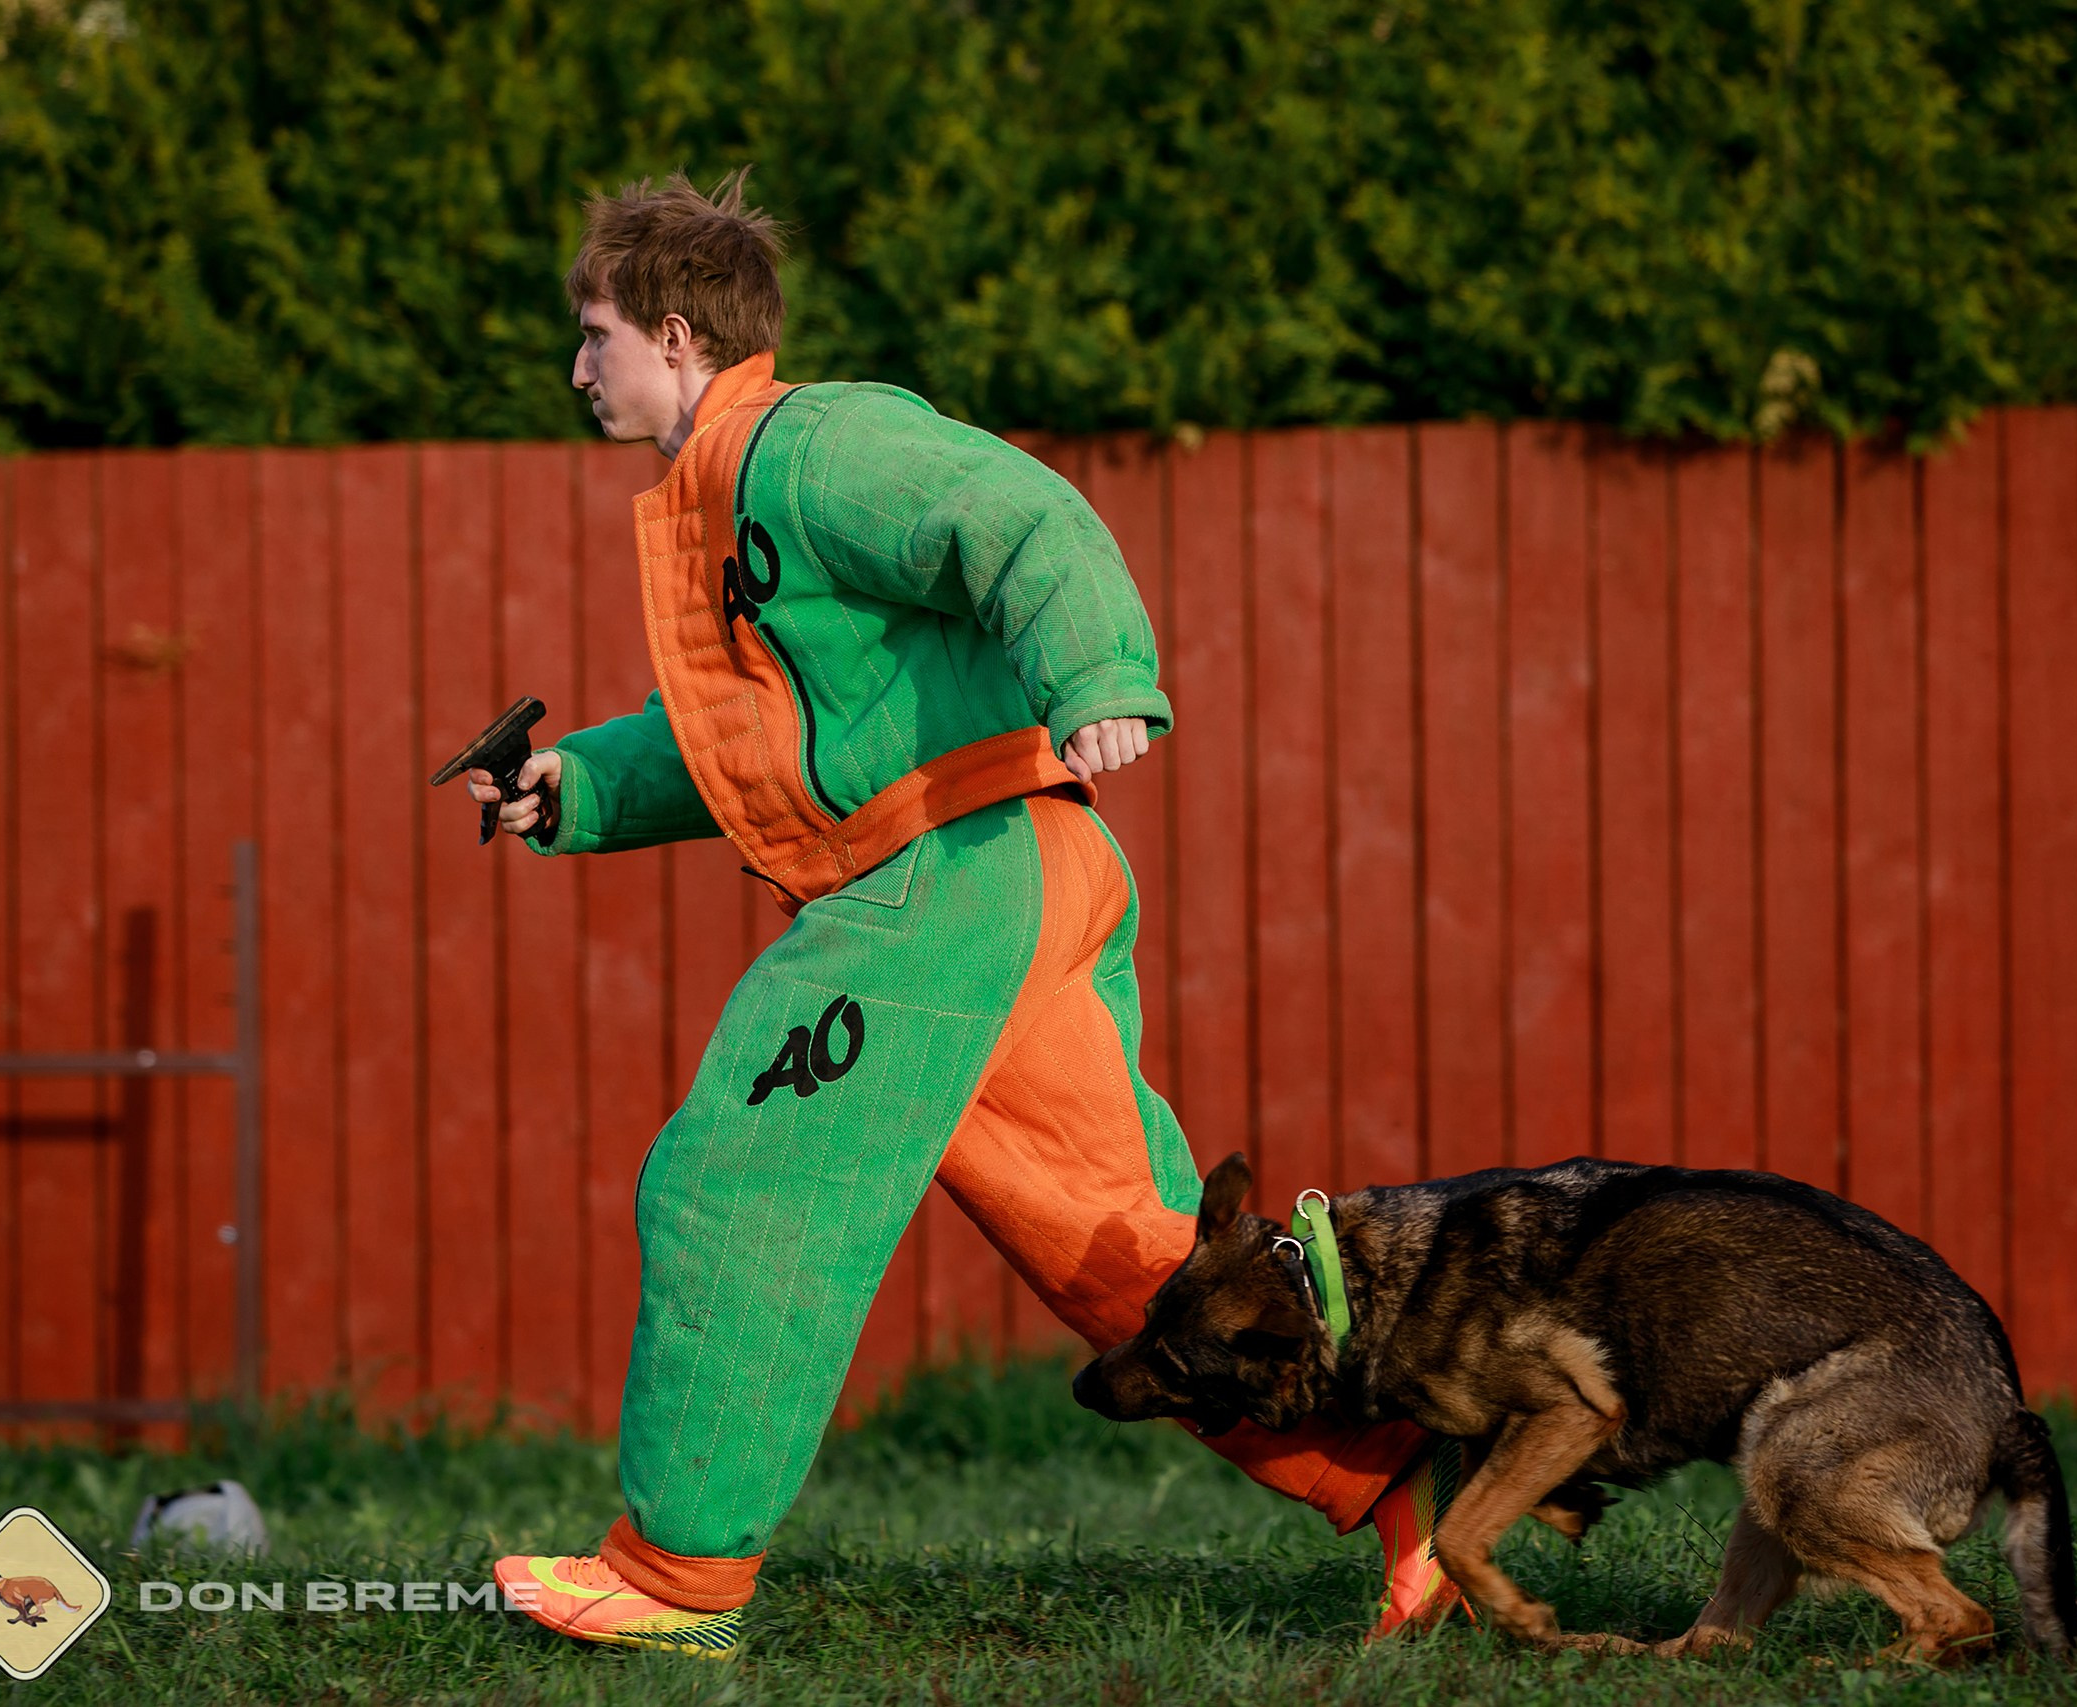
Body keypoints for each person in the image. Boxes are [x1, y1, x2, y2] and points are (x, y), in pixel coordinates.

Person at [476, 171, 1457, 1660]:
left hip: (941, 878)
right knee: (1123, 1245)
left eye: (594, 334)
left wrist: (1101, 672)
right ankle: (1404, 1482)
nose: (577, 369)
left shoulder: (807, 447)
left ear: (674, 335)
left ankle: (675, 1579)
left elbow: (1010, 508)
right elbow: (785, 742)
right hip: (1004, 874)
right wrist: (582, 786)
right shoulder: (736, 494)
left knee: (739, 1184)